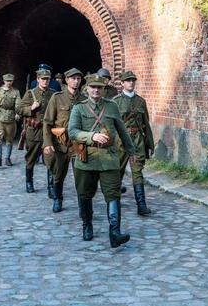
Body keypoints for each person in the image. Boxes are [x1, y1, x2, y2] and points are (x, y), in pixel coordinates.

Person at [68, 74, 136, 248]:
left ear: (104, 89)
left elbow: (122, 130)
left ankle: (115, 233)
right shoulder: (79, 108)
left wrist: (131, 150)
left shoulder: (111, 106)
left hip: (109, 159)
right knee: (85, 194)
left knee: (113, 195)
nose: (96, 90)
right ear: (87, 89)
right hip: (86, 159)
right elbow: (73, 132)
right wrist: (92, 136)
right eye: (93, 87)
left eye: (99, 87)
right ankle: (87, 225)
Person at [43, 68, 86, 213]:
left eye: (78, 79)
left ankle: (82, 206)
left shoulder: (84, 99)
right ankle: (58, 199)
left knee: (81, 176)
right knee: (58, 174)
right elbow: (47, 122)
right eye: (73, 78)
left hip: (78, 145)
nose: (76, 81)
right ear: (67, 80)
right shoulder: (57, 98)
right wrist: (48, 143)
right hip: (60, 145)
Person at [113, 70, 154, 215]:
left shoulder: (141, 101)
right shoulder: (116, 102)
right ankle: (115, 202)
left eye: (133, 80)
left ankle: (141, 205)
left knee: (137, 172)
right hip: (120, 141)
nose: (131, 82)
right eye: (128, 80)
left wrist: (150, 144)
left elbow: (146, 124)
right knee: (117, 171)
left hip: (137, 140)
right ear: (122, 83)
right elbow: (111, 124)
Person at [18, 69, 56, 193]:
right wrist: (31, 108)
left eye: (47, 79)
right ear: (38, 79)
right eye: (43, 79)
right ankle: (29, 182)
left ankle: (51, 186)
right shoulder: (30, 94)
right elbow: (19, 109)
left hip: (49, 132)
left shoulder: (54, 94)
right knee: (31, 158)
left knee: (51, 159)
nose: (45, 81)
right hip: (34, 131)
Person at [0, 73, 21, 166]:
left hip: (10, 118)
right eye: (7, 81)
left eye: (10, 81)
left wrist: (18, 113)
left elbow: (18, 104)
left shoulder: (16, 92)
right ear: (4, 81)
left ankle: (7, 158)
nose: (9, 83)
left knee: (9, 139)